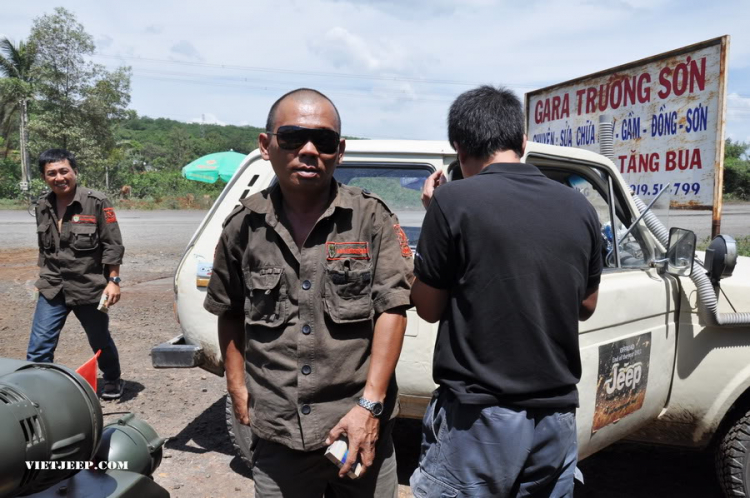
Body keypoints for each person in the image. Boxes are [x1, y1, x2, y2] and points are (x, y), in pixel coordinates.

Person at [203, 88, 412, 497]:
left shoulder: (371, 218)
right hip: (278, 432)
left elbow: (393, 309)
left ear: (341, 151)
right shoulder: (242, 227)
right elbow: (228, 310)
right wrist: (236, 385)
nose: (310, 150)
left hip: (357, 425)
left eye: (325, 141)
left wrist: (370, 406)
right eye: (294, 138)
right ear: (267, 145)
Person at [409, 86, 603, 498]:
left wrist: (433, 224)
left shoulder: (451, 201)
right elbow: (586, 304)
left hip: (479, 419)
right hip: (556, 417)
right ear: (523, 141)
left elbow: (428, 307)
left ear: (458, 147)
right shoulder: (580, 207)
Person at [28, 148, 125, 400]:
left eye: (64, 171)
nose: (59, 177)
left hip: (90, 286)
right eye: (51, 173)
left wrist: (113, 281)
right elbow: (46, 247)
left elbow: (112, 244)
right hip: (53, 286)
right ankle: (39, 392)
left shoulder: (97, 202)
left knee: (99, 339)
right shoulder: (42, 205)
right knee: (39, 347)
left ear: (74, 172)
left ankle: (113, 377)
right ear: (44, 177)